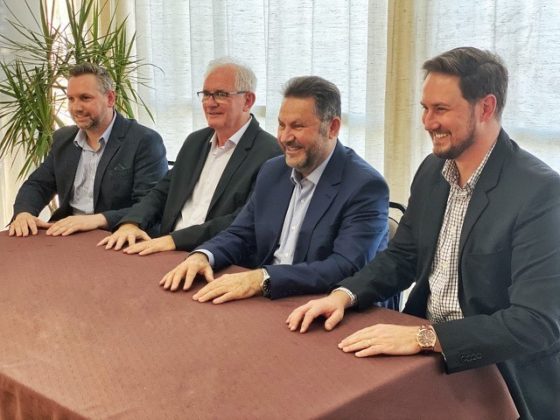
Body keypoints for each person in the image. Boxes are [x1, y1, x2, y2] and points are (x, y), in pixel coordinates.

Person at [286, 47, 560, 420]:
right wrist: (344, 295)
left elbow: (535, 322)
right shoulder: (433, 171)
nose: (428, 122)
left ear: (486, 108)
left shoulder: (540, 192)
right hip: (426, 352)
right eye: (424, 108)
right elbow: (404, 256)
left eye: (440, 109)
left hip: (499, 373)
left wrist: (425, 338)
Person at [160, 75, 395, 308]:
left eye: (297, 126)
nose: (284, 137)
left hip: (324, 305)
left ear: (332, 127)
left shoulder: (365, 186)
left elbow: (344, 267)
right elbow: (241, 233)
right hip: (267, 301)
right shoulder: (273, 170)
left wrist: (263, 278)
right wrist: (204, 255)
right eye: (282, 125)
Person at [98, 58, 280, 254]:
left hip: (215, 256)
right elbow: (162, 192)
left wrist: (175, 240)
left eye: (220, 94)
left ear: (248, 101)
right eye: (206, 94)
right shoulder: (195, 142)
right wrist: (132, 222)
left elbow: (243, 220)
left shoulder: (270, 154)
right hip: (166, 249)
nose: (210, 103)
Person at [9, 63, 167, 237]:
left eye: (85, 98)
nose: (76, 108)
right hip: (67, 235)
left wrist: (96, 220)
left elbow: (150, 205)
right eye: (71, 99)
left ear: (110, 99)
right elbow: (38, 184)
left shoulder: (144, 141)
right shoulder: (63, 139)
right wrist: (24, 213)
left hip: (117, 235)